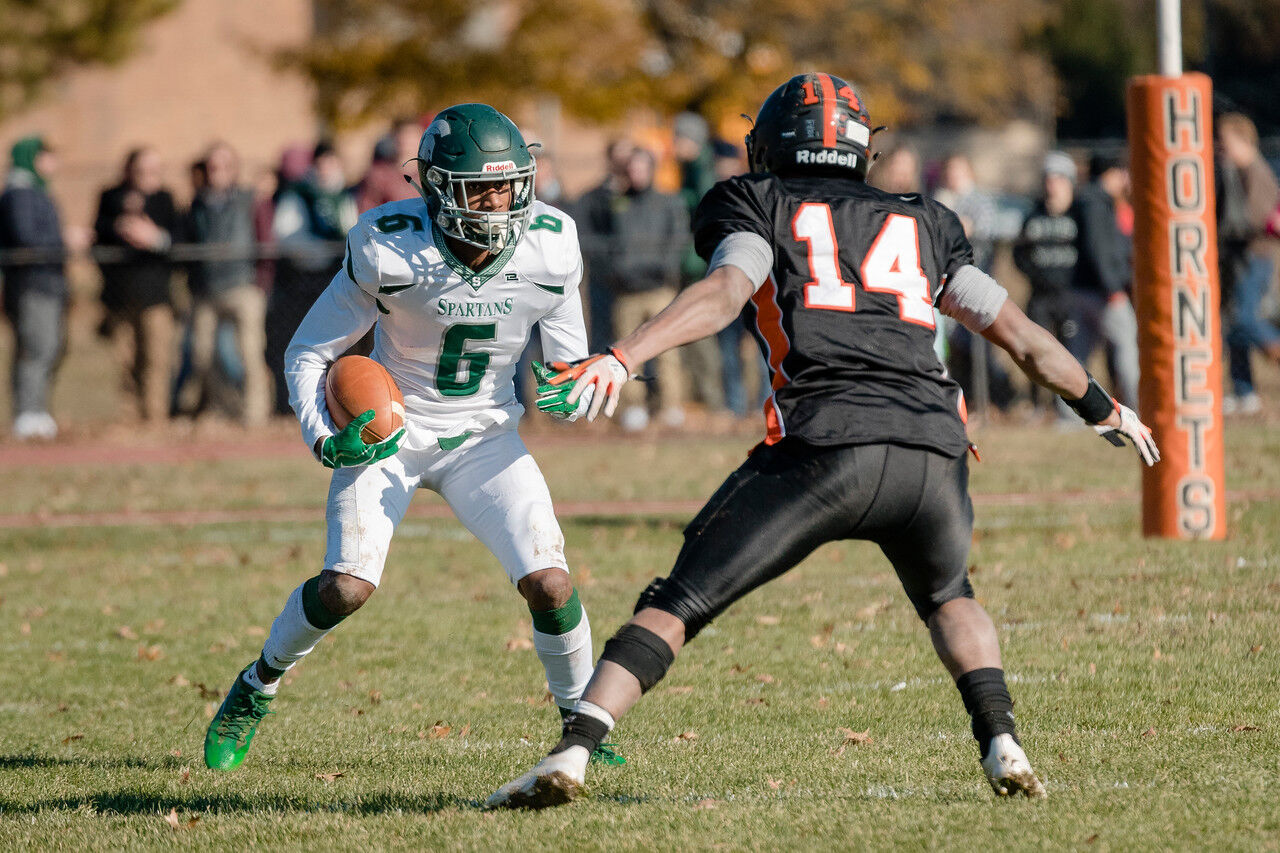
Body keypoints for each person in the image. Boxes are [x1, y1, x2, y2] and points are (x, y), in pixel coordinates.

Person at [487, 72, 1159, 809]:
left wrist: (625, 355)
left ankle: (574, 752)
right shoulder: (925, 219)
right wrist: (1102, 406)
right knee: (947, 592)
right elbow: (1021, 337)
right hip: (931, 451)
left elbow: (723, 294)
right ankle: (1003, 738)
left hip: (823, 445)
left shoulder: (757, 201)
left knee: (677, 599)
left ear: (772, 143)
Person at [203, 104, 613, 772]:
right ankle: (258, 683)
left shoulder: (551, 242)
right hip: (392, 428)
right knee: (346, 586)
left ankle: (584, 725)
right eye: (480, 187)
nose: (498, 201)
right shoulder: (389, 246)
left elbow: (568, 366)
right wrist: (320, 435)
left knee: (551, 581)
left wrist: (577, 391)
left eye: (509, 185)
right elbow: (309, 351)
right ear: (436, 188)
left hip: (485, 435)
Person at [179, 141, 271, 424]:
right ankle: (222, 408)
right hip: (207, 290)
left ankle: (256, 415)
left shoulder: (249, 200)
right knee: (201, 355)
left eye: (222, 166)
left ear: (233, 169)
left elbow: (265, 240)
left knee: (250, 354)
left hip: (244, 286)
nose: (216, 172)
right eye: (211, 166)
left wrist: (261, 283)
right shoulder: (196, 204)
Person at [265, 140, 358, 415]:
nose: (326, 168)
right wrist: (322, 252)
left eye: (331, 162)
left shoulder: (345, 195)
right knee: (306, 346)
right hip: (304, 283)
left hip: (337, 279)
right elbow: (289, 239)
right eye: (321, 163)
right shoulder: (297, 196)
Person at [605, 148, 690, 431]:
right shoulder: (616, 204)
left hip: (659, 290)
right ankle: (634, 408)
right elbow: (605, 243)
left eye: (641, 168)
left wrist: (661, 269)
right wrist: (618, 271)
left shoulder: (668, 202)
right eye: (632, 168)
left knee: (668, 353)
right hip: (626, 292)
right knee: (626, 354)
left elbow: (677, 242)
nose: (636, 173)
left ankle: (671, 407)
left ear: (651, 169)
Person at [94, 146, 179, 422]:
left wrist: (154, 238)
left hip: (156, 295)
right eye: (141, 170)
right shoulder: (110, 197)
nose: (146, 176)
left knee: (156, 360)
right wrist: (119, 226)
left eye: (153, 170)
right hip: (120, 295)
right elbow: (97, 234)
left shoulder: (166, 200)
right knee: (125, 361)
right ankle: (130, 418)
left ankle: (155, 417)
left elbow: (179, 239)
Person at [933, 152, 1016, 413]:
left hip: (975, 281)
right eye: (950, 171)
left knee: (981, 350)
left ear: (969, 172)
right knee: (954, 351)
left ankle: (997, 400)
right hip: (944, 285)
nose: (952, 176)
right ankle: (967, 403)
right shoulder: (941, 199)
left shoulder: (980, 201)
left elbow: (979, 232)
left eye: (958, 170)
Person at [0, 136, 68, 439]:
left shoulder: (36, 191)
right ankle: (27, 414)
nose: (52, 163)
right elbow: (26, 237)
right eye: (46, 156)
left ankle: (37, 410)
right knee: (35, 347)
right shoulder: (20, 193)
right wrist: (65, 242)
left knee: (50, 347)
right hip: (31, 284)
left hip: (48, 283)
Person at [1216, 113, 1280, 414]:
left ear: (1243, 141)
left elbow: (1260, 219)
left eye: (1226, 141)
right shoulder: (1237, 173)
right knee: (1233, 327)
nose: (1221, 148)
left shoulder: (1257, 172)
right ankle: (1244, 390)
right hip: (1239, 258)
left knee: (1244, 319)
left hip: (1255, 256)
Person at [1013, 152, 1079, 419]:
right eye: (1048, 178)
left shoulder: (1079, 215)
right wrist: (1035, 275)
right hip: (1040, 296)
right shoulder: (1033, 214)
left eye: (1058, 178)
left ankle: (1068, 404)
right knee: (1034, 349)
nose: (1051, 184)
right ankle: (1037, 404)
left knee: (1069, 350)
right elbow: (1019, 253)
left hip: (1070, 295)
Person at [576, 138, 636, 352]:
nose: (624, 162)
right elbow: (584, 235)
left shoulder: (642, 196)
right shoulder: (592, 198)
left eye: (629, 157)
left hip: (635, 282)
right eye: (619, 157)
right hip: (603, 279)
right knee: (602, 339)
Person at [355, 118, 423, 213]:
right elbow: (366, 212)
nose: (407, 144)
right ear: (394, 138)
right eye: (404, 138)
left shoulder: (430, 175)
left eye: (412, 138)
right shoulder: (378, 175)